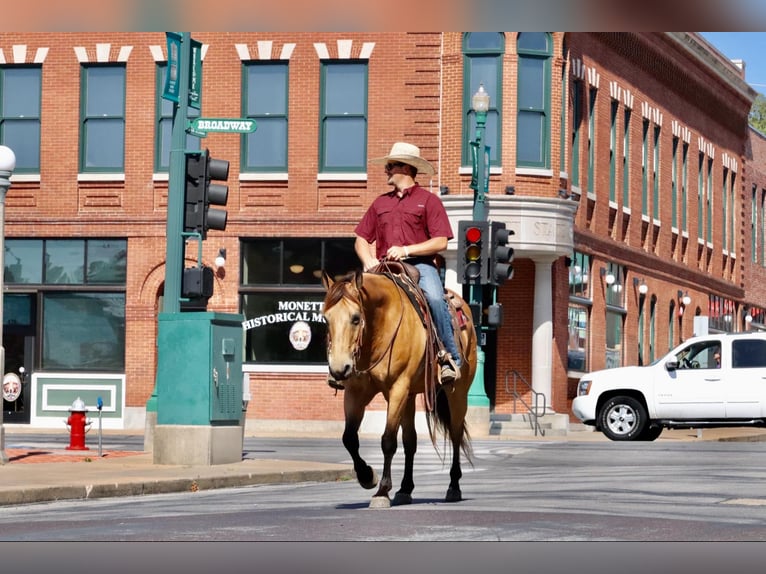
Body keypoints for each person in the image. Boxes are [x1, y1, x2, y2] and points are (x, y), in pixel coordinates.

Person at [351, 141, 461, 385]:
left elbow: (440, 241)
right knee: (352, 300)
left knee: (433, 298)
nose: (386, 170)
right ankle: (346, 361)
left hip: (420, 267)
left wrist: (406, 250)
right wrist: (368, 260)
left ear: (407, 168)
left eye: (391, 165)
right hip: (382, 268)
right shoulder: (380, 203)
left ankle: (449, 358)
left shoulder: (429, 201)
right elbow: (360, 238)